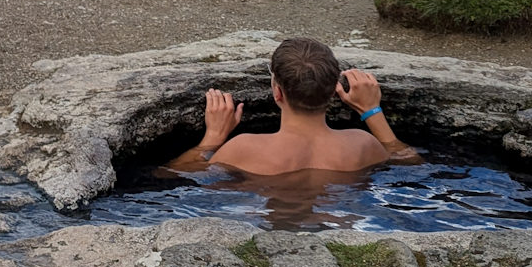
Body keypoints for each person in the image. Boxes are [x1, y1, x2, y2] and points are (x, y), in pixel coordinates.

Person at [167, 36, 418, 175]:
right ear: (333, 91)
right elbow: (409, 162)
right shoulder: (362, 144)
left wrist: (212, 138)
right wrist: (371, 111)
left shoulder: (244, 149)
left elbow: (174, 173)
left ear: (277, 92)